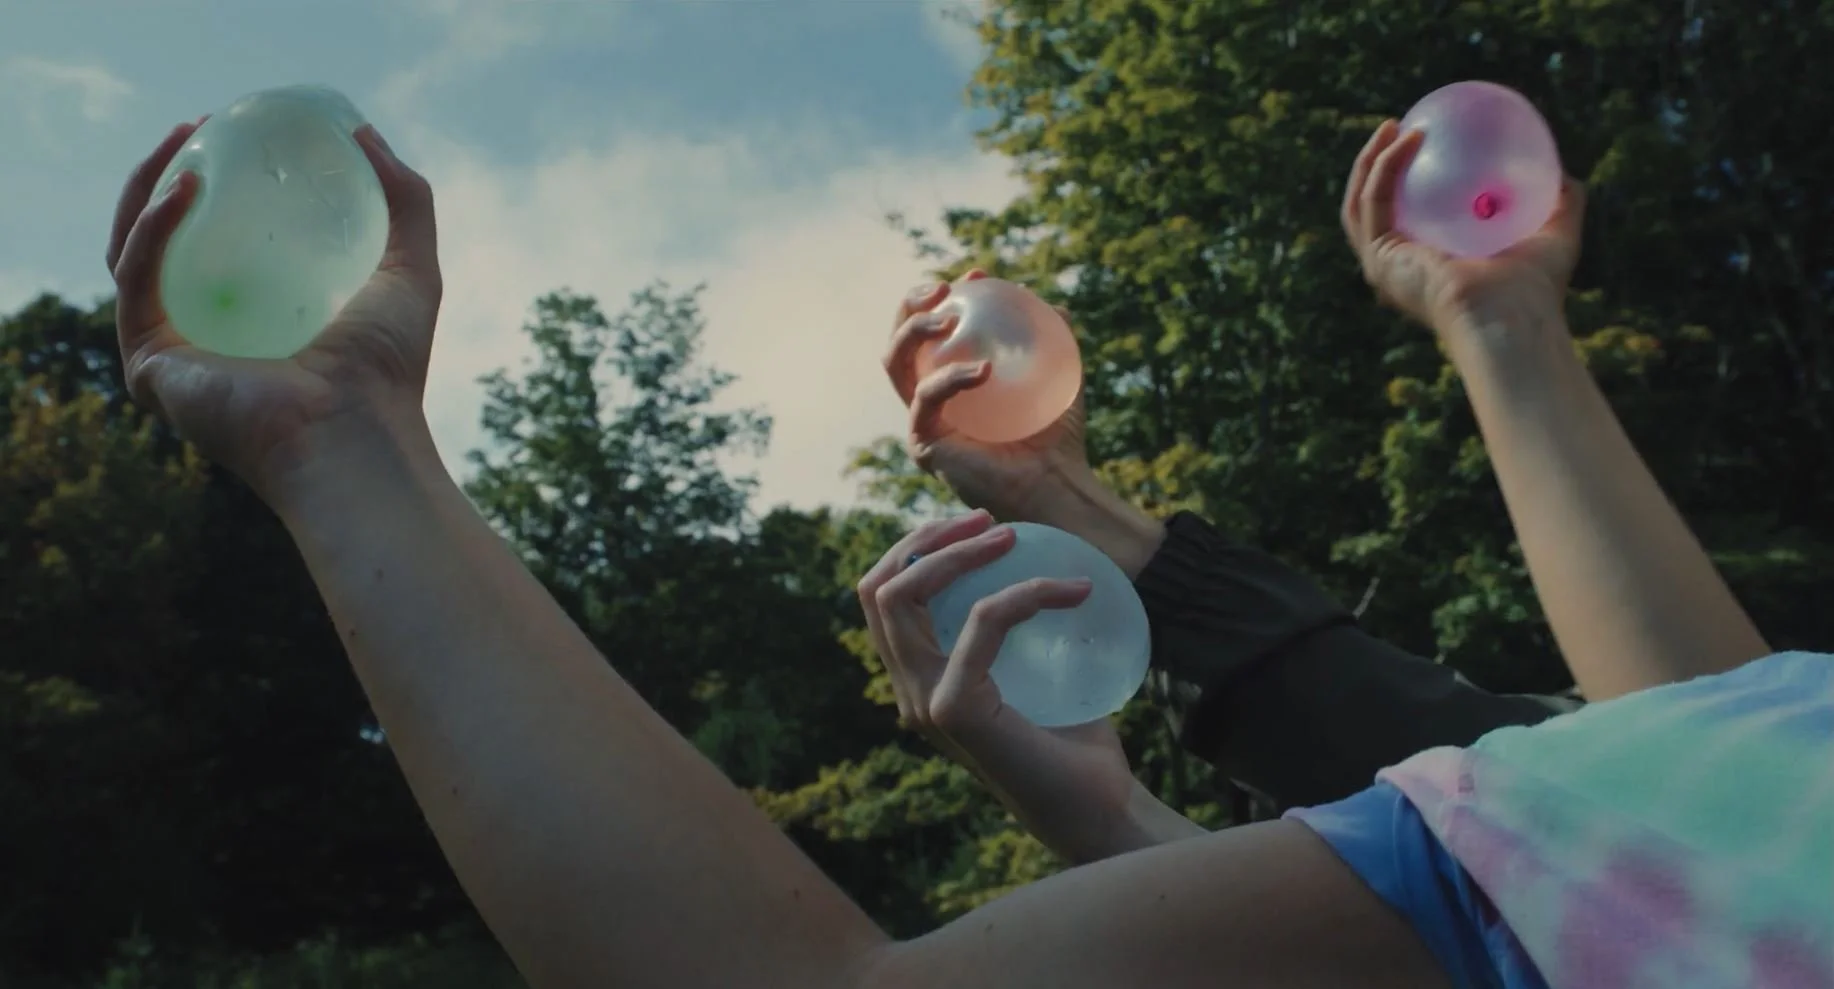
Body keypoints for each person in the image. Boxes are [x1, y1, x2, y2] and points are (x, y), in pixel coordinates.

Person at [109, 114, 1826, 989]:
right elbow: (1695, 760)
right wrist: (1492, 316)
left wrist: (347, 448)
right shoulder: (1755, 783)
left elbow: (1680, 774)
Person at [884, 278, 1579, 814]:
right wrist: (1051, 487)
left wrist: (1111, 823)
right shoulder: (1621, 774)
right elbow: (1453, 772)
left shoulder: (1645, 766)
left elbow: (1469, 787)